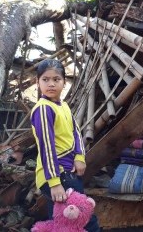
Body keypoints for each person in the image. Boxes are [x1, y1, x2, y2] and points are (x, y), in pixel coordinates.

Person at [30, 59, 100, 232]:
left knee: (60, 221)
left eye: (56, 79)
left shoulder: (64, 106)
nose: (51, 84)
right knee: (85, 218)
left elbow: (76, 133)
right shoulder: (43, 109)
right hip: (56, 174)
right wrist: (54, 183)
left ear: (64, 82)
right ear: (37, 82)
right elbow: (47, 147)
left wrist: (79, 156)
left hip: (68, 171)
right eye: (45, 79)